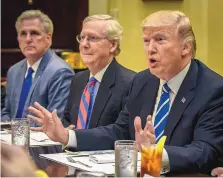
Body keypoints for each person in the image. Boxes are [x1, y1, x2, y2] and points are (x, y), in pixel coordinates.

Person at [28, 10, 223, 175]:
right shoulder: (142, 81)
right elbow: (120, 131)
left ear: (185, 47)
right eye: (146, 41)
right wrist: (66, 136)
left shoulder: (211, 88)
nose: (151, 48)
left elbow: (205, 150)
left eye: (160, 39)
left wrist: (153, 154)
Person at [61, 14, 135, 129]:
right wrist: (55, 130)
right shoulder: (78, 79)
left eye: (92, 38)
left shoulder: (130, 82)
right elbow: (67, 121)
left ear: (113, 45)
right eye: (82, 38)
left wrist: (74, 137)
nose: (84, 44)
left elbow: (121, 132)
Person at [1, 10, 74, 126]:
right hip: (12, 139)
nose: (28, 39)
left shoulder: (60, 72)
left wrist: (20, 135)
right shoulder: (13, 71)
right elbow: (7, 112)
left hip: (42, 142)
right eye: (23, 34)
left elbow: (54, 122)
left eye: (34, 33)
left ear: (48, 38)